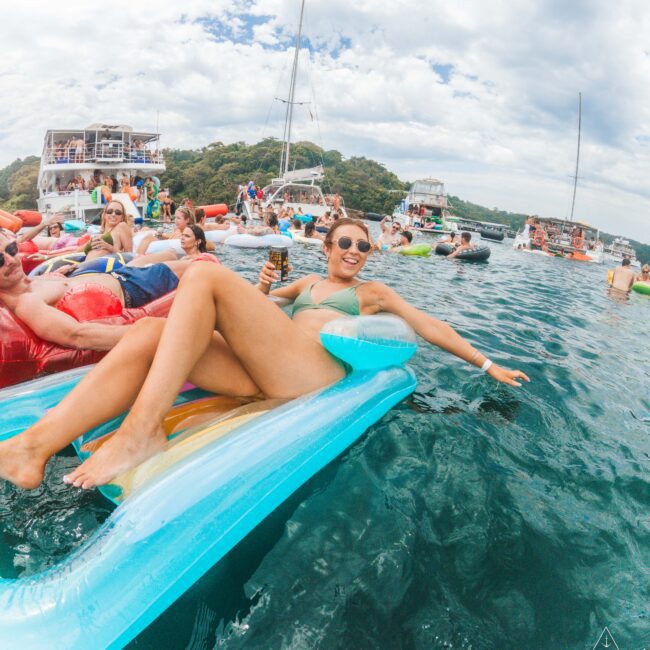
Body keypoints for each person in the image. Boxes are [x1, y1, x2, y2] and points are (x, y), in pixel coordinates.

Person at [0, 219, 529, 491]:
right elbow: (246, 313)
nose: (352, 251)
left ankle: (142, 431)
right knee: (147, 336)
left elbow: (429, 326)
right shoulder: (304, 283)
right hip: (270, 367)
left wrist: (486, 364)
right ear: (326, 247)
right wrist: (262, 285)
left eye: (362, 246)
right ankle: (32, 448)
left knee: (205, 272)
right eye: (343, 243)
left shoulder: (372, 294)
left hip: (311, 370)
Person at [0, 229, 193, 352]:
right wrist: (160, 335)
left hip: (121, 276)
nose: (10, 261)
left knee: (173, 255)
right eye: (0, 261)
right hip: (133, 289)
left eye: (11, 250)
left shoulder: (29, 282)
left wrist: (60, 274)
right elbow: (77, 335)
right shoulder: (25, 302)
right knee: (200, 266)